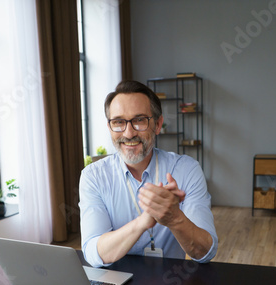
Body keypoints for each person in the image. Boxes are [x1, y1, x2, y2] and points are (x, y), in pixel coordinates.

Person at [79, 80, 218, 267]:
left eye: (139, 120)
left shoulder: (186, 170)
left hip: (170, 284)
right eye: (119, 122)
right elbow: (94, 253)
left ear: (158, 124)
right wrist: (143, 221)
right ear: (110, 127)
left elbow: (205, 252)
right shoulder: (93, 176)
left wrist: (174, 218)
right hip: (114, 284)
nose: (128, 133)